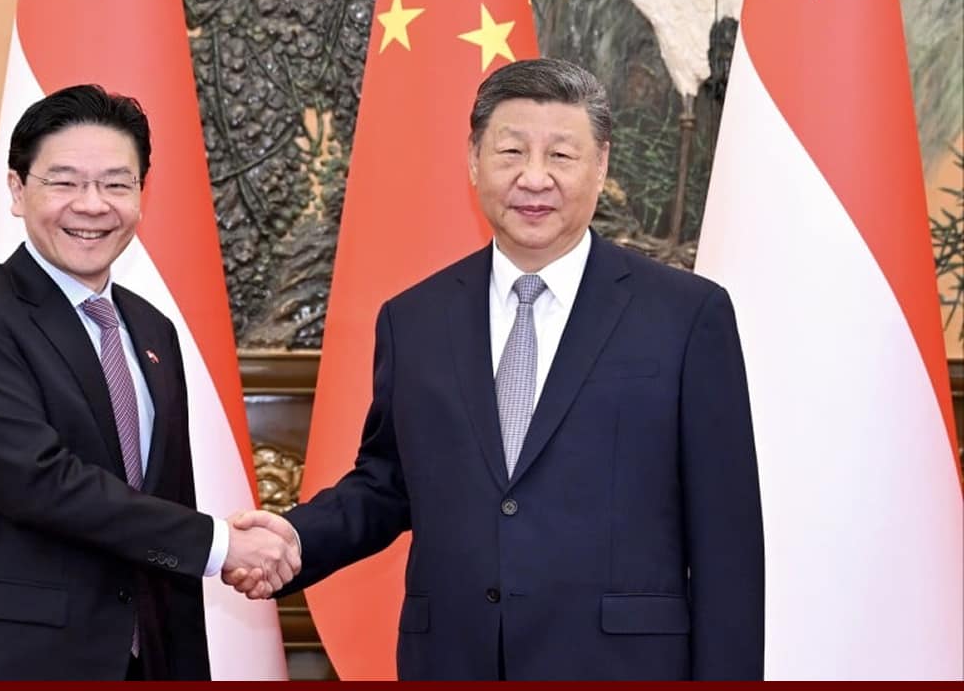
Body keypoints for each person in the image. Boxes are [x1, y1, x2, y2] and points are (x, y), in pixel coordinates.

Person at [233, 58, 765, 680]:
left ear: (601, 166)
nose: (533, 178)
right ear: (473, 161)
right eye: (511, 150)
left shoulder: (685, 315)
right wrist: (296, 538)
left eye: (562, 156)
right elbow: (387, 483)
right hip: (455, 661)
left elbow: (726, 541)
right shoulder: (414, 319)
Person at [0, 84, 298, 681]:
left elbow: (166, 500)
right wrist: (218, 544)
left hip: (141, 658)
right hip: (11, 662)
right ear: (17, 190)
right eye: (64, 182)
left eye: (116, 183)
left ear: (141, 195)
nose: (92, 205)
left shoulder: (151, 328)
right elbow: (36, 480)